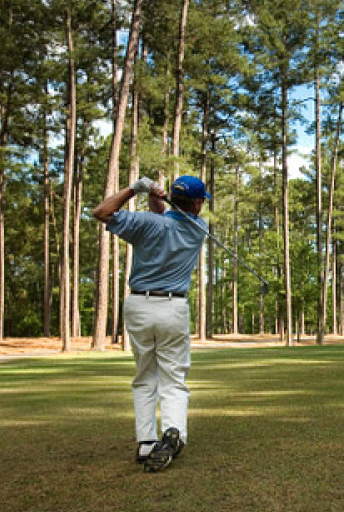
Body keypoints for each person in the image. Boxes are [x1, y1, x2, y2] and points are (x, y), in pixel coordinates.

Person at [92, 175, 210, 473]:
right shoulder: (199, 228)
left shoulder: (145, 223)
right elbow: (166, 219)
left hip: (139, 306)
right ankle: (174, 433)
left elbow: (101, 212)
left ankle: (146, 442)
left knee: (145, 375)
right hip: (173, 308)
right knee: (174, 377)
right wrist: (156, 199)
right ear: (197, 203)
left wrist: (136, 189)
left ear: (172, 197)